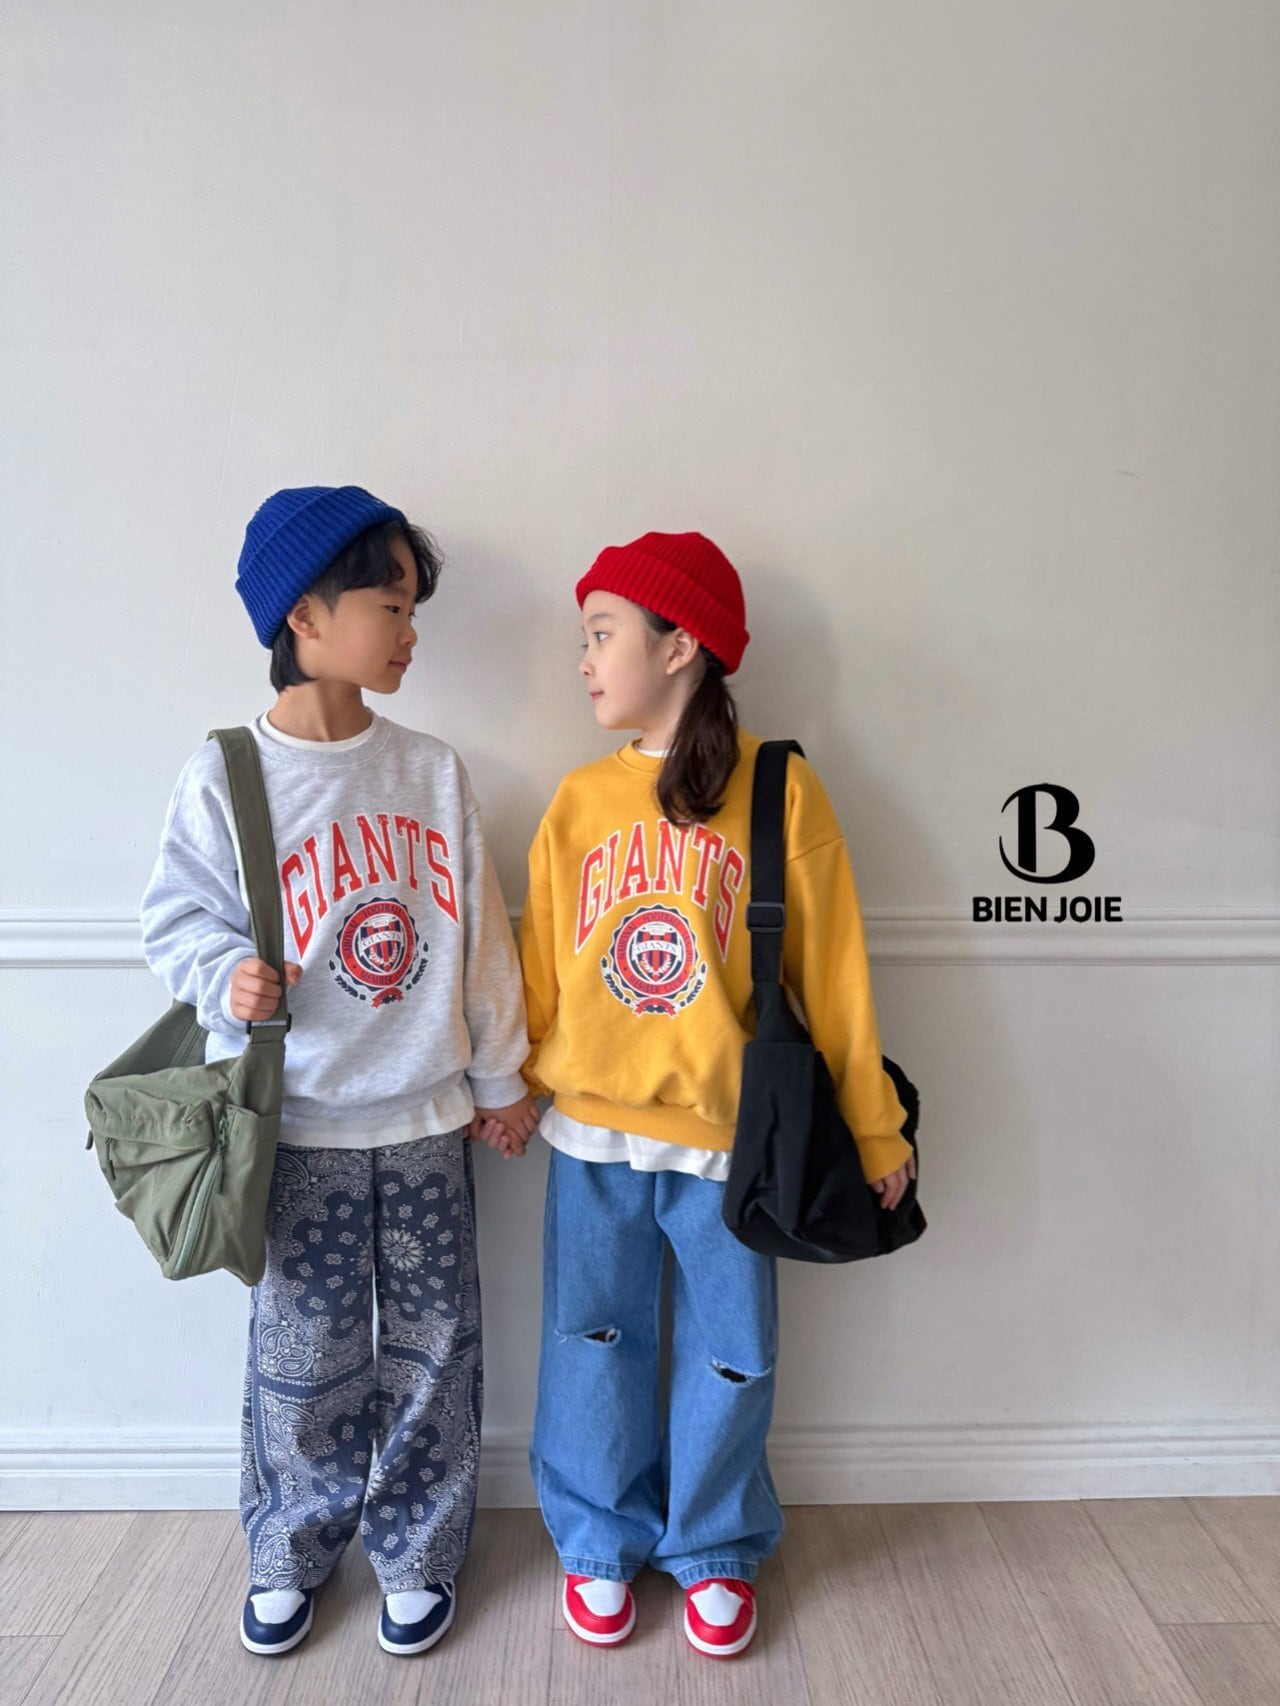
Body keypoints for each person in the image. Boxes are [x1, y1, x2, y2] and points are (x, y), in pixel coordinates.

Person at [489, 530, 913, 1658]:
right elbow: (540, 970)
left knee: (735, 1348)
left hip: (734, 1142)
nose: (584, 660)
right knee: (590, 1338)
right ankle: (597, 1538)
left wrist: (876, 1127)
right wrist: (512, 1082)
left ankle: (716, 1542)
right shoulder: (581, 801)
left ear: (679, 644)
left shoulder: (779, 789)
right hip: (591, 1133)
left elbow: (833, 976)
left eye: (601, 634)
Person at [140, 485, 538, 1658]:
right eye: (390, 604)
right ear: (304, 614)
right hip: (294, 1124)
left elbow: (481, 933)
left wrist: (500, 1076)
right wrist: (226, 974)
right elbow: (174, 918)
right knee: (301, 1355)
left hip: (422, 1115)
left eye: (413, 607)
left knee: (432, 1346)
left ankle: (416, 1548)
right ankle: (290, 1545)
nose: (410, 631)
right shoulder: (226, 773)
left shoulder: (429, 769)